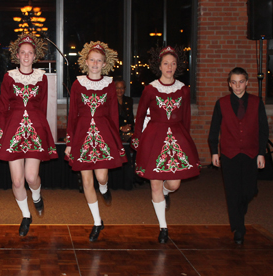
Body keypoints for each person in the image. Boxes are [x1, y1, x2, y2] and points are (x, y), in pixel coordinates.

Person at [131, 46, 200, 243]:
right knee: (154, 184)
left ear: (177, 67)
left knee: (174, 183)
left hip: (177, 137)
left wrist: (186, 140)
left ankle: (166, 193)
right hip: (154, 137)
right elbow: (141, 114)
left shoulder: (183, 90)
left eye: (173, 64)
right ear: (159, 66)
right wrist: (137, 137)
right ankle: (163, 227)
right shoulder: (150, 89)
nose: (169, 67)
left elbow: (186, 117)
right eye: (166, 63)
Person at [0, 33, 58, 236]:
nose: (26, 56)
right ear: (17, 55)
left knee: (31, 177)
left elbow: (43, 106)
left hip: (35, 129)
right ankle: (26, 215)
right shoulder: (9, 77)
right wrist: (0, 135)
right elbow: (3, 106)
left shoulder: (42, 77)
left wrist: (46, 132)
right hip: (13, 128)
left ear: (35, 56)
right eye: (23, 52)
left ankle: (37, 196)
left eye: (30, 53)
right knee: (17, 181)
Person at [64, 42, 126, 241]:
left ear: (105, 63)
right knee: (87, 181)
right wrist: (69, 142)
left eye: (99, 60)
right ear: (86, 62)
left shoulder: (109, 85)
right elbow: (72, 114)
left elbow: (114, 115)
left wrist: (116, 140)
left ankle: (105, 188)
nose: (95, 63)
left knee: (100, 178)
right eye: (92, 59)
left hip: (103, 135)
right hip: (82, 135)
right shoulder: (77, 84)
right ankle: (97, 222)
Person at [208, 67, 269, 244]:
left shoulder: (257, 103)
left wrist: (261, 153)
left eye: (241, 82)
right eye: (233, 82)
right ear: (229, 84)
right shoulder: (222, 103)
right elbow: (214, 130)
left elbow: (263, 130)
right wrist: (214, 152)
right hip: (229, 154)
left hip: (250, 153)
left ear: (247, 82)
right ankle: (238, 228)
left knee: (249, 191)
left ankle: (238, 213)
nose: (237, 86)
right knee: (232, 191)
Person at [109, 80, 136, 191]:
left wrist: (129, 126)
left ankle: (134, 173)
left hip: (127, 131)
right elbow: (109, 119)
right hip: (114, 131)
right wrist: (121, 128)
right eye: (117, 88)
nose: (119, 90)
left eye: (122, 88)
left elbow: (130, 117)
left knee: (137, 143)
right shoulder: (109, 101)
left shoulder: (128, 100)